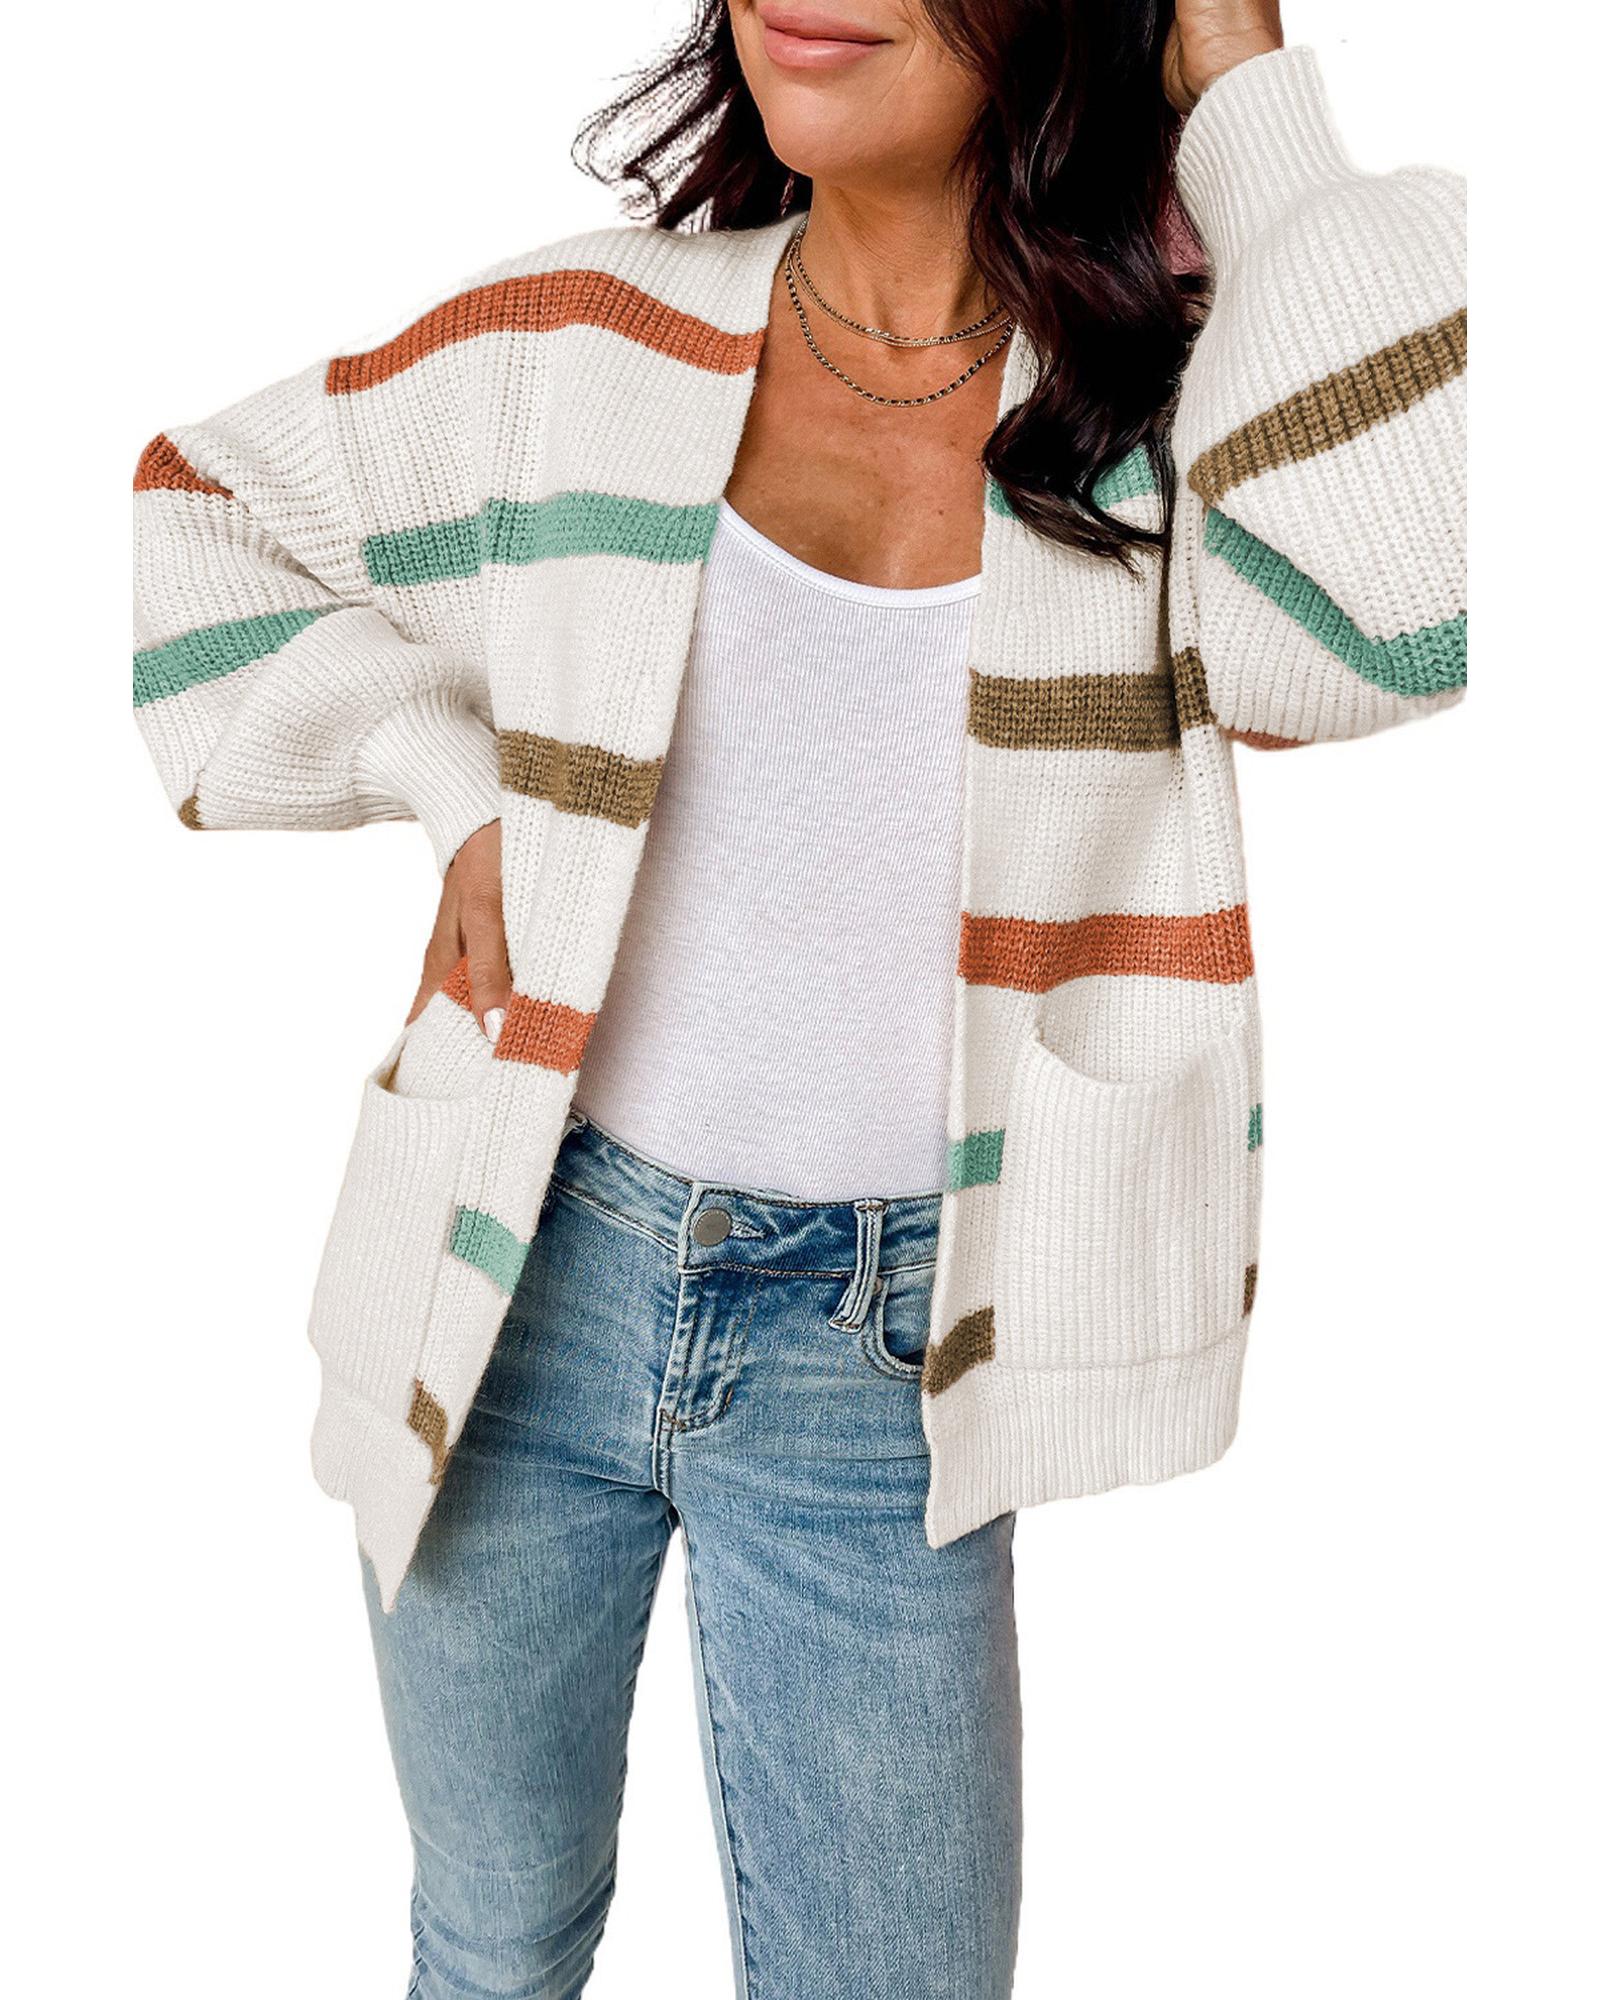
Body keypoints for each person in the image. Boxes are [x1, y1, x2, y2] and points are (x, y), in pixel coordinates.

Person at [130, 1, 1466, 1993]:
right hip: (521, 1278)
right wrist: (441, 776)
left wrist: (1239, 78)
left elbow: (1393, 616)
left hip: (884, 1359)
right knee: (489, 1944)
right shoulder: (579, 342)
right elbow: (200, 513)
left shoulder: (1171, 421)